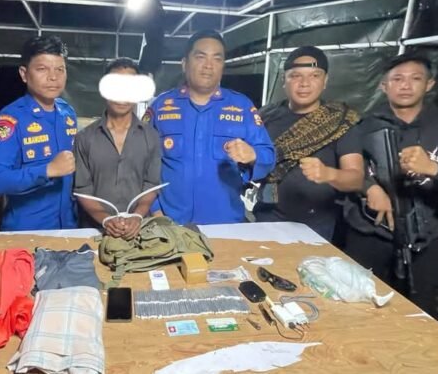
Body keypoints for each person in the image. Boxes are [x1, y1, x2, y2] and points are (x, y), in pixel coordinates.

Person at [344, 52, 438, 310]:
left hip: (424, 241)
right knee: (354, 307)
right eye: (397, 79)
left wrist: (436, 169)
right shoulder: (362, 126)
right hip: (368, 235)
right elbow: (345, 170)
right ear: (384, 86)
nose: (405, 85)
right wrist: (368, 187)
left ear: (429, 84)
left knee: (418, 312)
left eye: (415, 78)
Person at [145, 30, 275, 225]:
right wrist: (155, 210)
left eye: (217, 59)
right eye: (201, 57)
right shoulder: (160, 106)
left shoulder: (242, 107)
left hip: (225, 224)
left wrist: (253, 155)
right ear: (184, 63)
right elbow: (141, 163)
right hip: (171, 223)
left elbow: (269, 155)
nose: (208, 65)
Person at [254, 46, 364, 242]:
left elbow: (356, 179)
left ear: (325, 81)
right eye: (295, 76)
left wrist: (329, 174)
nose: (304, 83)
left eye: (314, 76)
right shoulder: (265, 116)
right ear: (283, 80)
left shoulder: (340, 120)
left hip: (316, 224)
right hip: (268, 216)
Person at [0, 36, 78, 231]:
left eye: (60, 69)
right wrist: (48, 170)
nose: (53, 77)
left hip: (69, 226)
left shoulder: (67, 113)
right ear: (24, 74)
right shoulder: (10, 119)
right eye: (42, 69)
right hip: (26, 230)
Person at [74, 58, 161, 238]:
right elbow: (82, 189)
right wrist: (106, 219)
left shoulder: (151, 136)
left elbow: (151, 184)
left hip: (139, 231)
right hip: (94, 232)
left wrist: (137, 216)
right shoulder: (84, 138)